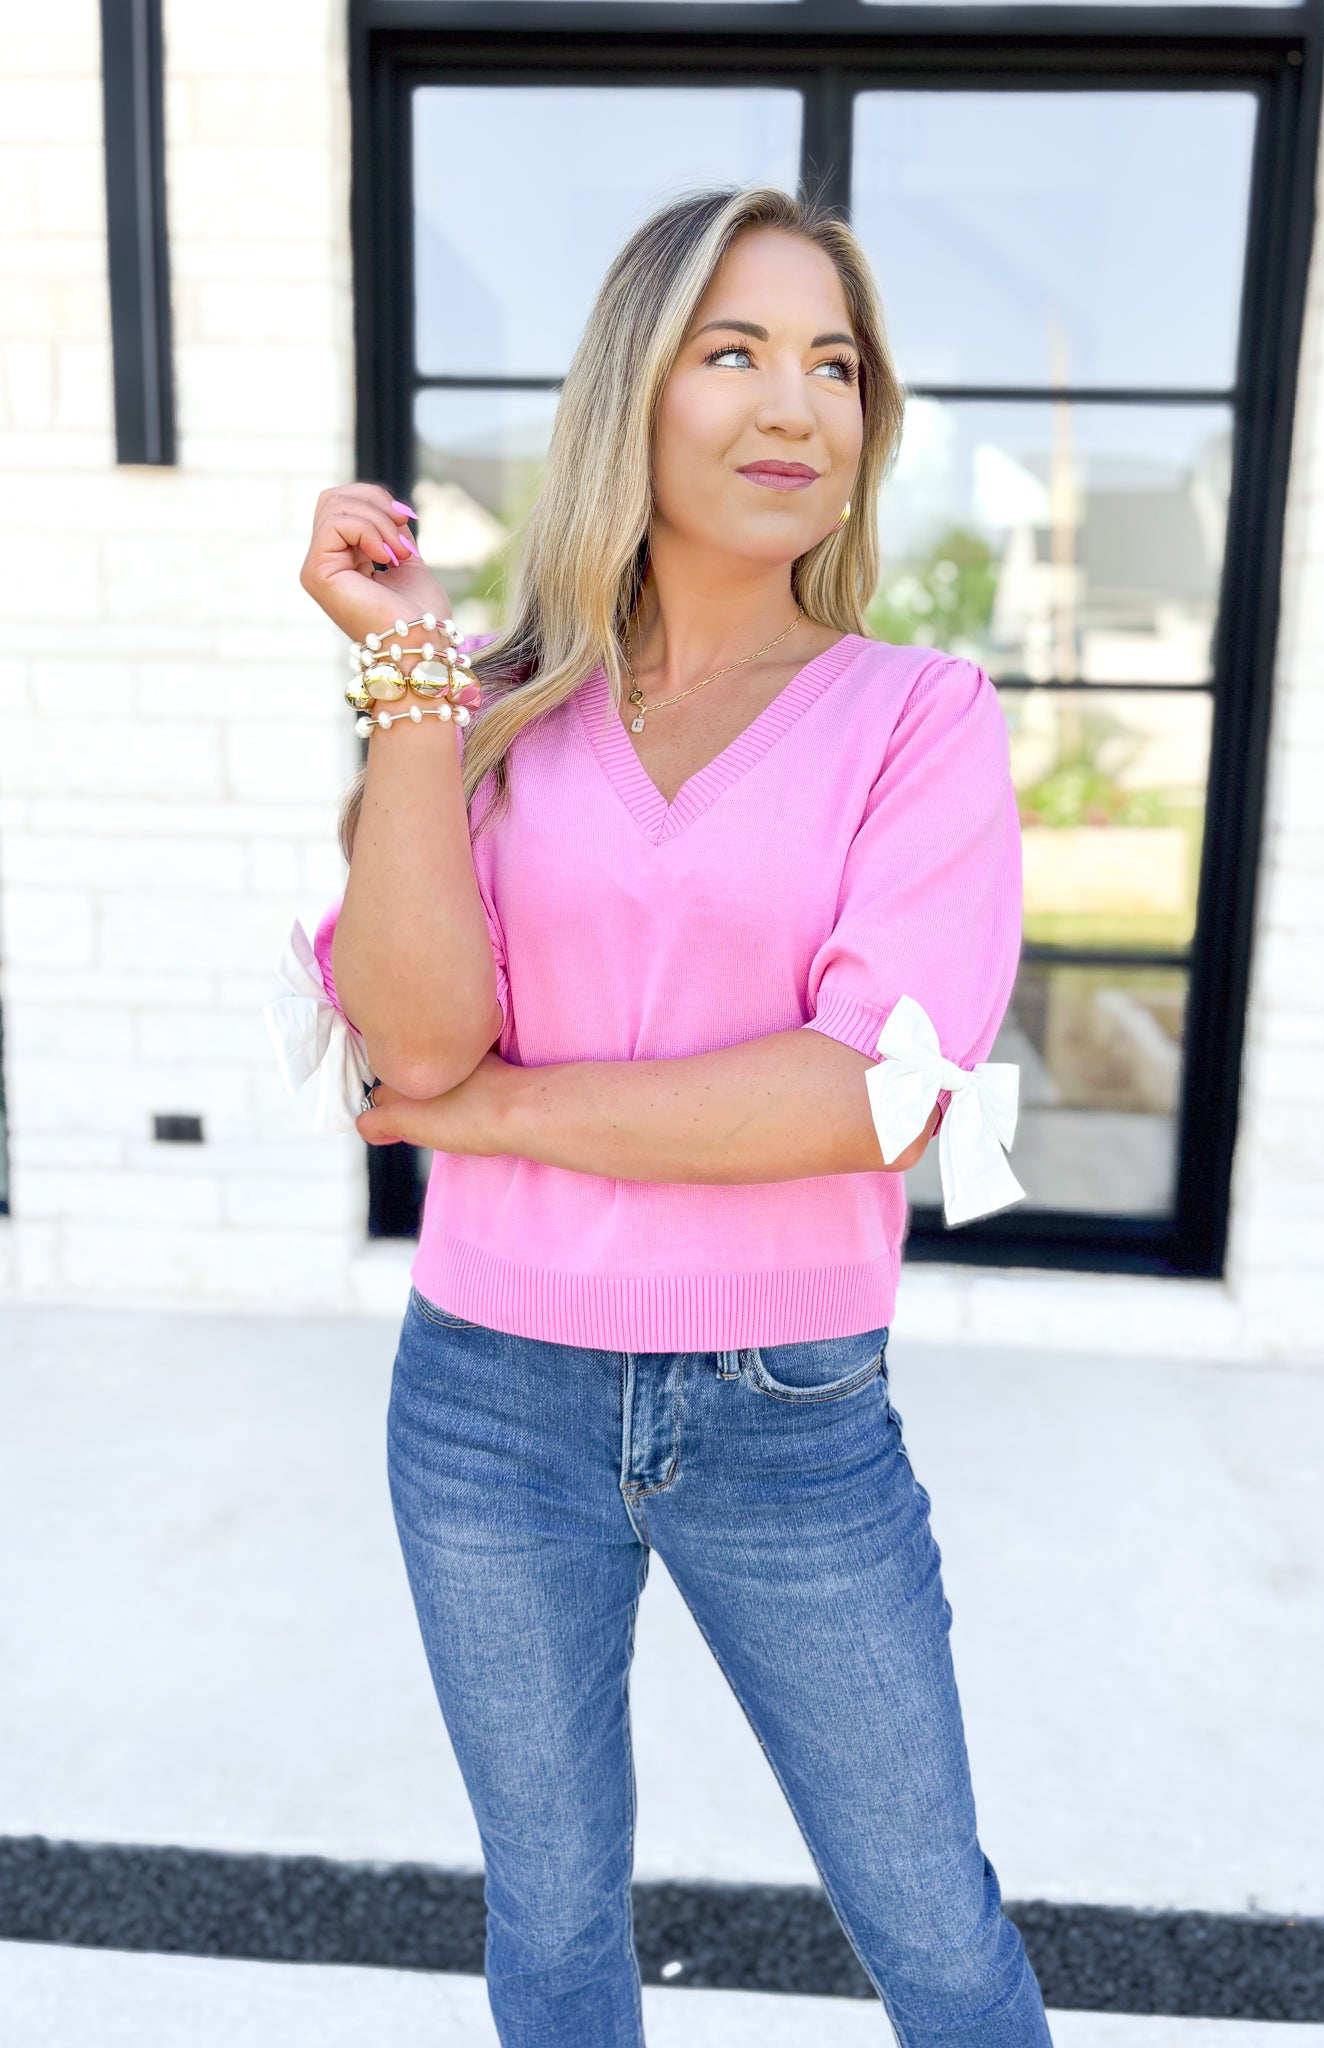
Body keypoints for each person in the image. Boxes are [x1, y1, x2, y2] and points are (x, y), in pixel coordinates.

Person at [292, 186, 1048, 2048]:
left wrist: (512, 1117)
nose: (796, 406)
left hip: (787, 1410)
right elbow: (408, 1035)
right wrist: (407, 678)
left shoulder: (914, 717)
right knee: (549, 1924)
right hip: (482, 1398)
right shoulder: (484, 713)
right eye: (734, 352)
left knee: (932, 1929)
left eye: (835, 367)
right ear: (633, 389)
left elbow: (868, 1102)